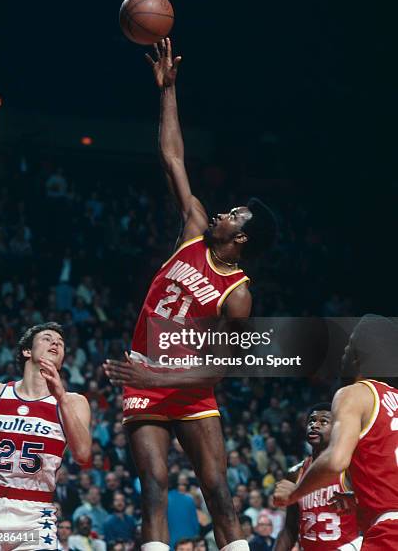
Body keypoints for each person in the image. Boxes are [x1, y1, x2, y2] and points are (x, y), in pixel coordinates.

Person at [103, 38, 277, 551]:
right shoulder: (196, 228)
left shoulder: (238, 295)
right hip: (146, 374)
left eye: (235, 214)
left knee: (218, 491)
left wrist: (158, 373)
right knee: (152, 488)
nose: (224, 211)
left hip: (188, 384)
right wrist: (168, 92)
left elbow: (217, 369)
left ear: (241, 238)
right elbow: (173, 155)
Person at [274, 315, 398, 550]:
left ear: (359, 355)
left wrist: (295, 493)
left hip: (389, 531)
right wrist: (359, 499)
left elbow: (335, 460)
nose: (343, 354)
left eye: (348, 346)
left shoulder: (354, 393)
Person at [0, 321, 91, 550]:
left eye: (60, 343)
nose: (56, 343)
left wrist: (61, 398)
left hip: (35, 513)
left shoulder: (74, 402)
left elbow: (83, 456)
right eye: (47, 338)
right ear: (27, 351)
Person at [274, 403, 360, 550]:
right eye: (311, 421)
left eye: (323, 421)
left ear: (337, 429)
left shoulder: (349, 467)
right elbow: (290, 529)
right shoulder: (295, 473)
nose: (314, 425)